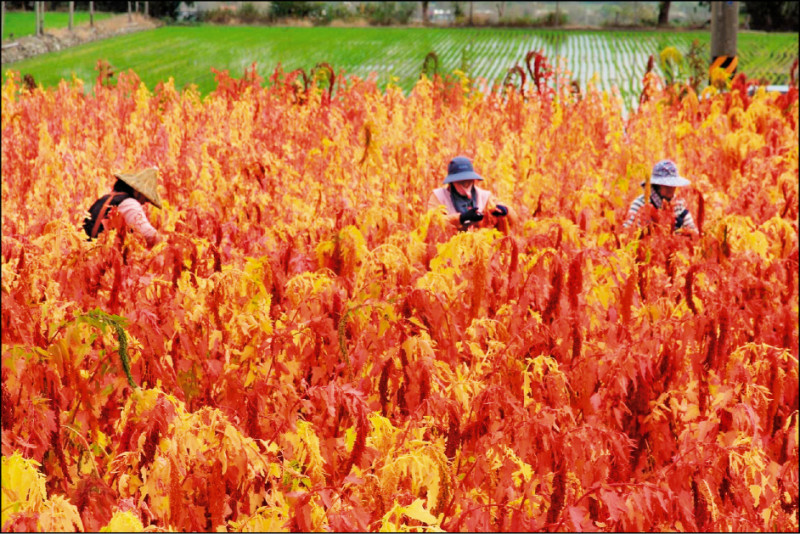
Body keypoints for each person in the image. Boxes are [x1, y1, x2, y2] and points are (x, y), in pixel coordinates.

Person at [427, 155, 516, 231]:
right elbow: (434, 224)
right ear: (452, 182)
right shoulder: (439, 196)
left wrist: (506, 211)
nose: (465, 184)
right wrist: (461, 218)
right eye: (461, 181)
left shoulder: (484, 196)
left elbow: (513, 221)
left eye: (468, 180)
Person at [83, 167, 163, 247]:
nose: (144, 202)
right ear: (137, 191)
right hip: (100, 254)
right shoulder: (129, 203)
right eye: (145, 198)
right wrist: (165, 245)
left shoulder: (106, 198)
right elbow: (148, 234)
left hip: (87, 251)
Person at [623, 159, 697, 233]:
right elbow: (628, 233)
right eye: (667, 185)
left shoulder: (679, 204)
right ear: (657, 186)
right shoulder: (641, 204)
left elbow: (694, 232)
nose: (671, 188)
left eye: (673, 185)